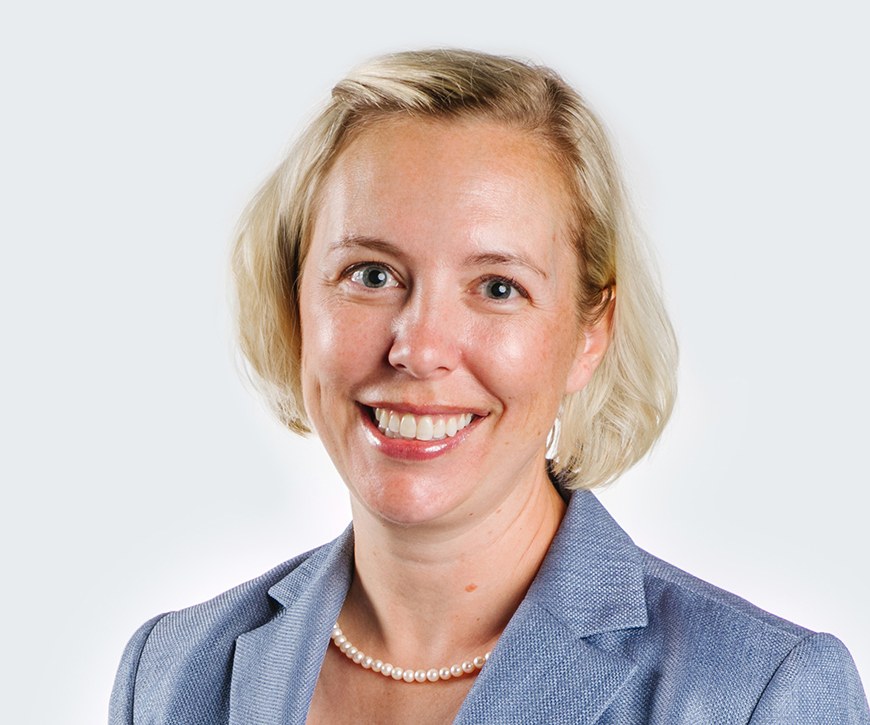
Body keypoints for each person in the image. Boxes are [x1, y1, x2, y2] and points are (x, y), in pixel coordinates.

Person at [110, 49, 869, 724]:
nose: (419, 349)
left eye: (498, 287)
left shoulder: (757, 695)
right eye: (370, 274)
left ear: (590, 333)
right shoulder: (173, 673)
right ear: (294, 300)